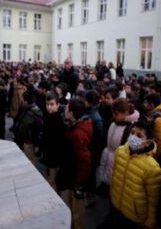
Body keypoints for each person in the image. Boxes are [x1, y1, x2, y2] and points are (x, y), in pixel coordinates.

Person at [109, 121, 161, 229]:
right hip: (116, 204)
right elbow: (114, 176)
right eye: (132, 133)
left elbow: (153, 200)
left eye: (139, 135)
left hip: (134, 217)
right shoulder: (120, 151)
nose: (133, 137)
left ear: (147, 142)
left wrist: (150, 223)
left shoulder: (152, 168)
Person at [56, 98, 92, 229]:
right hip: (72, 176)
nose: (64, 110)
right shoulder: (74, 126)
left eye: (66, 109)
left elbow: (84, 161)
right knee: (71, 207)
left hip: (76, 179)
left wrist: (78, 183)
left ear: (71, 113)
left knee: (76, 211)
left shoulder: (78, 134)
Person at [41, 92, 65, 190]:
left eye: (52, 104)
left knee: (53, 181)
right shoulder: (47, 116)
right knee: (51, 179)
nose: (49, 107)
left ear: (57, 105)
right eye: (47, 104)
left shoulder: (60, 120)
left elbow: (59, 141)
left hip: (55, 156)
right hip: (48, 153)